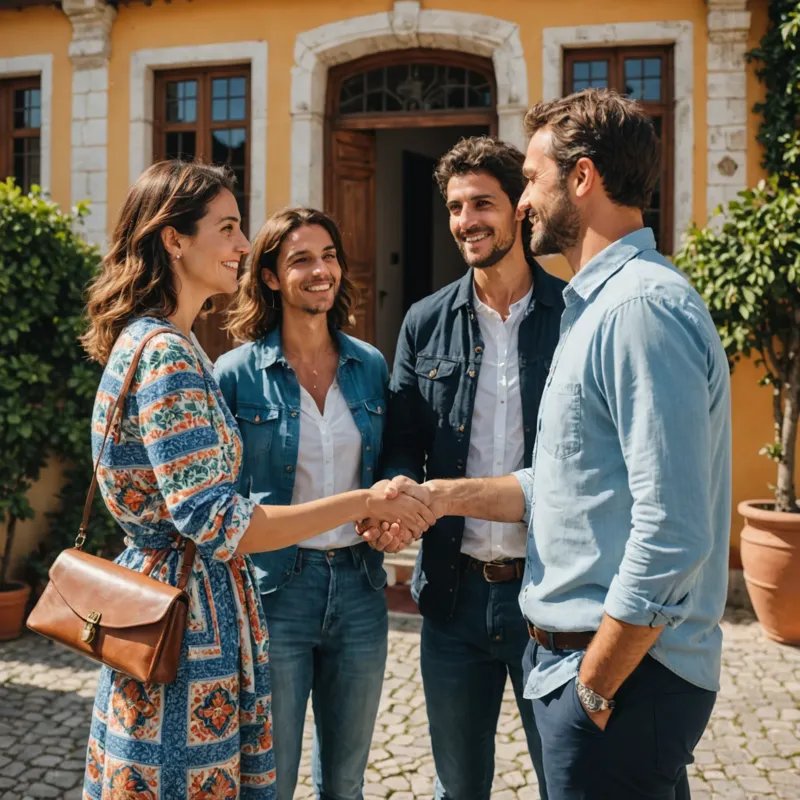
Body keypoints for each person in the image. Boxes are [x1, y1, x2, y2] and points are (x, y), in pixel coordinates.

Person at [379, 88, 732, 800]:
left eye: (532, 180)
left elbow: (673, 530)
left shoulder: (637, 310)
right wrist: (438, 497)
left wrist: (595, 686)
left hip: (619, 678)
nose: (525, 202)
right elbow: (563, 484)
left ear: (583, 178)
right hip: (575, 661)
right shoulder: (596, 307)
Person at [80, 161, 434, 800]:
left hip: (192, 600)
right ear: (174, 239)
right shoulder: (169, 354)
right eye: (227, 228)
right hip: (189, 619)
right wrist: (362, 500)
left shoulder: (158, 342)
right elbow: (220, 522)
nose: (242, 245)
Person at [363, 136, 565, 799]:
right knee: (458, 788)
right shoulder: (424, 322)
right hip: (453, 597)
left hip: (551, 596)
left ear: (519, 209)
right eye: (454, 207)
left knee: (566, 782)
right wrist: (398, 491)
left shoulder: (575, 316)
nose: (465, 221)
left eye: (482, 203)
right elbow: (403, 440)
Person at [214, 208, 393, 800]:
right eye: (302, 260)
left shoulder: (369, 365)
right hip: (275, 590)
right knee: (272, 778)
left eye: (329, 256)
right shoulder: (235, 374)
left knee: (346, 781)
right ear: (270, 277)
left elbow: (389, 460)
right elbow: (220, 495)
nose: (321, 271)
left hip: (361, 587)